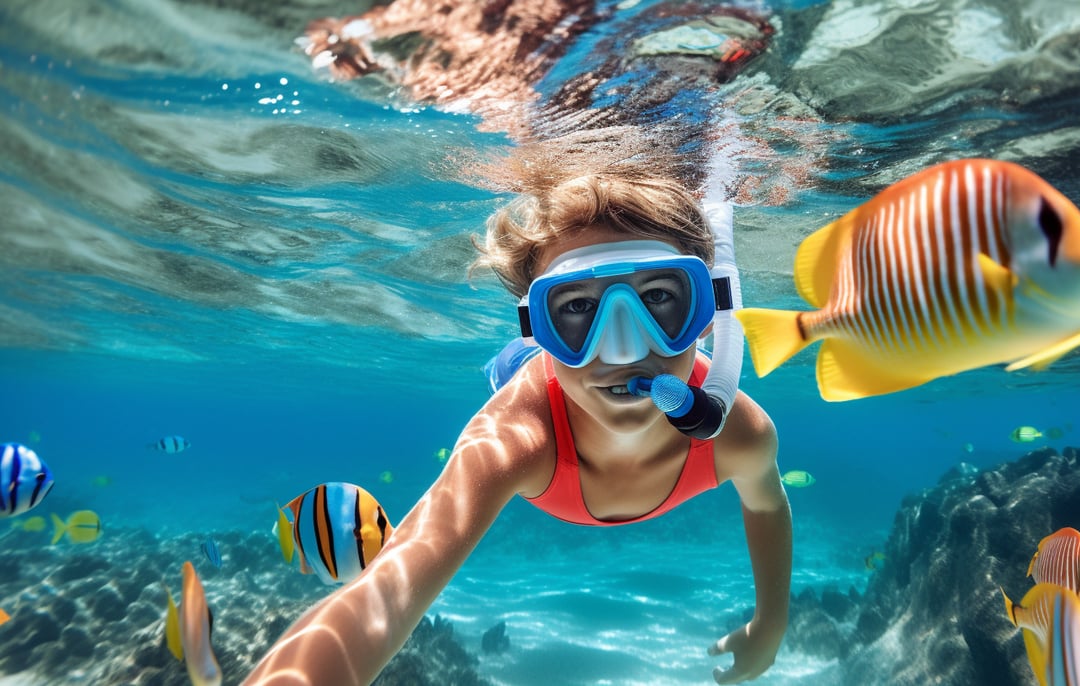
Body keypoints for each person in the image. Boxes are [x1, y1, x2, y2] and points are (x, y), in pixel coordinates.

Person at [243, 148, 792, 685]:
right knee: (514, 366)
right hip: (530, 376)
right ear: (540, 322)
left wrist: (772, 622)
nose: (623, 349)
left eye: (658, 297)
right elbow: (384, 589)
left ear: (708, 316)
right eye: (576, 307)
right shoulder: (516, 439)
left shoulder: (741, 434)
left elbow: (768, 505)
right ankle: (525, 350)